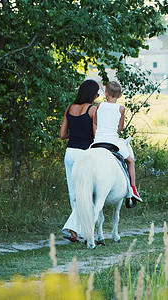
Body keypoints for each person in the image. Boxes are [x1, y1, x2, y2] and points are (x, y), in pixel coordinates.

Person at [59, 79, 99, 243]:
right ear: (92, 94)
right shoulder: (93, 110)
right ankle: (71, 227)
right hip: (85, 154)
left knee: (74, 192)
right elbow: (96, 136)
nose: (97, 96)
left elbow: (62, 135)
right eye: (97, 93)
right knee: (87, 193)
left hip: (70, 153)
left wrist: (75, 133)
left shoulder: (70, 108)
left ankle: (76, 232)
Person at [93, 81, 142, 202]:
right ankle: (133, 190)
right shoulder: (121, 108)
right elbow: (120, 128)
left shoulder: (99, 105)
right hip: (112, 143)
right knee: (130, 161)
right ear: (120, 95)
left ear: (105, 93)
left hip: (96, 142)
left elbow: (95, 122)